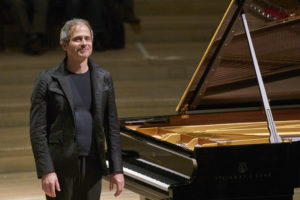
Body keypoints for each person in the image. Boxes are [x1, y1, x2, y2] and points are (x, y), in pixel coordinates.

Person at [30, 18, 124, 200]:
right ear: (64, 45)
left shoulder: (103, 78)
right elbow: (37, 131)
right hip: (61, 166)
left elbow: (111, 127)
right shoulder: (47, 80)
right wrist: (46, 170)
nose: (84, 43)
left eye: (87, 38)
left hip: (93, 164)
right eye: (78, 39)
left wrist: (117, 169)